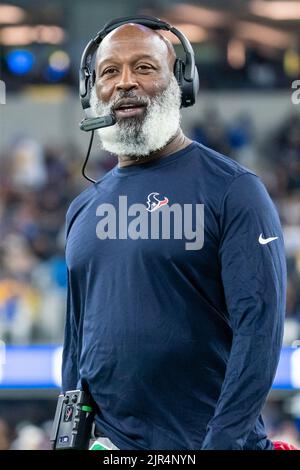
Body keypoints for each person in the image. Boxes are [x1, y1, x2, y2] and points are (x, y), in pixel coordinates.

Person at [62, 20, 287, 450]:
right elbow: (77, 344)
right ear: (92, 90)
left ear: (181, 84)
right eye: (109, 71)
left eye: (144, 67)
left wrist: (221, 445)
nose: (125, 82)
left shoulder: (234, 190)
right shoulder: (82, 209)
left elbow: (259, 332)